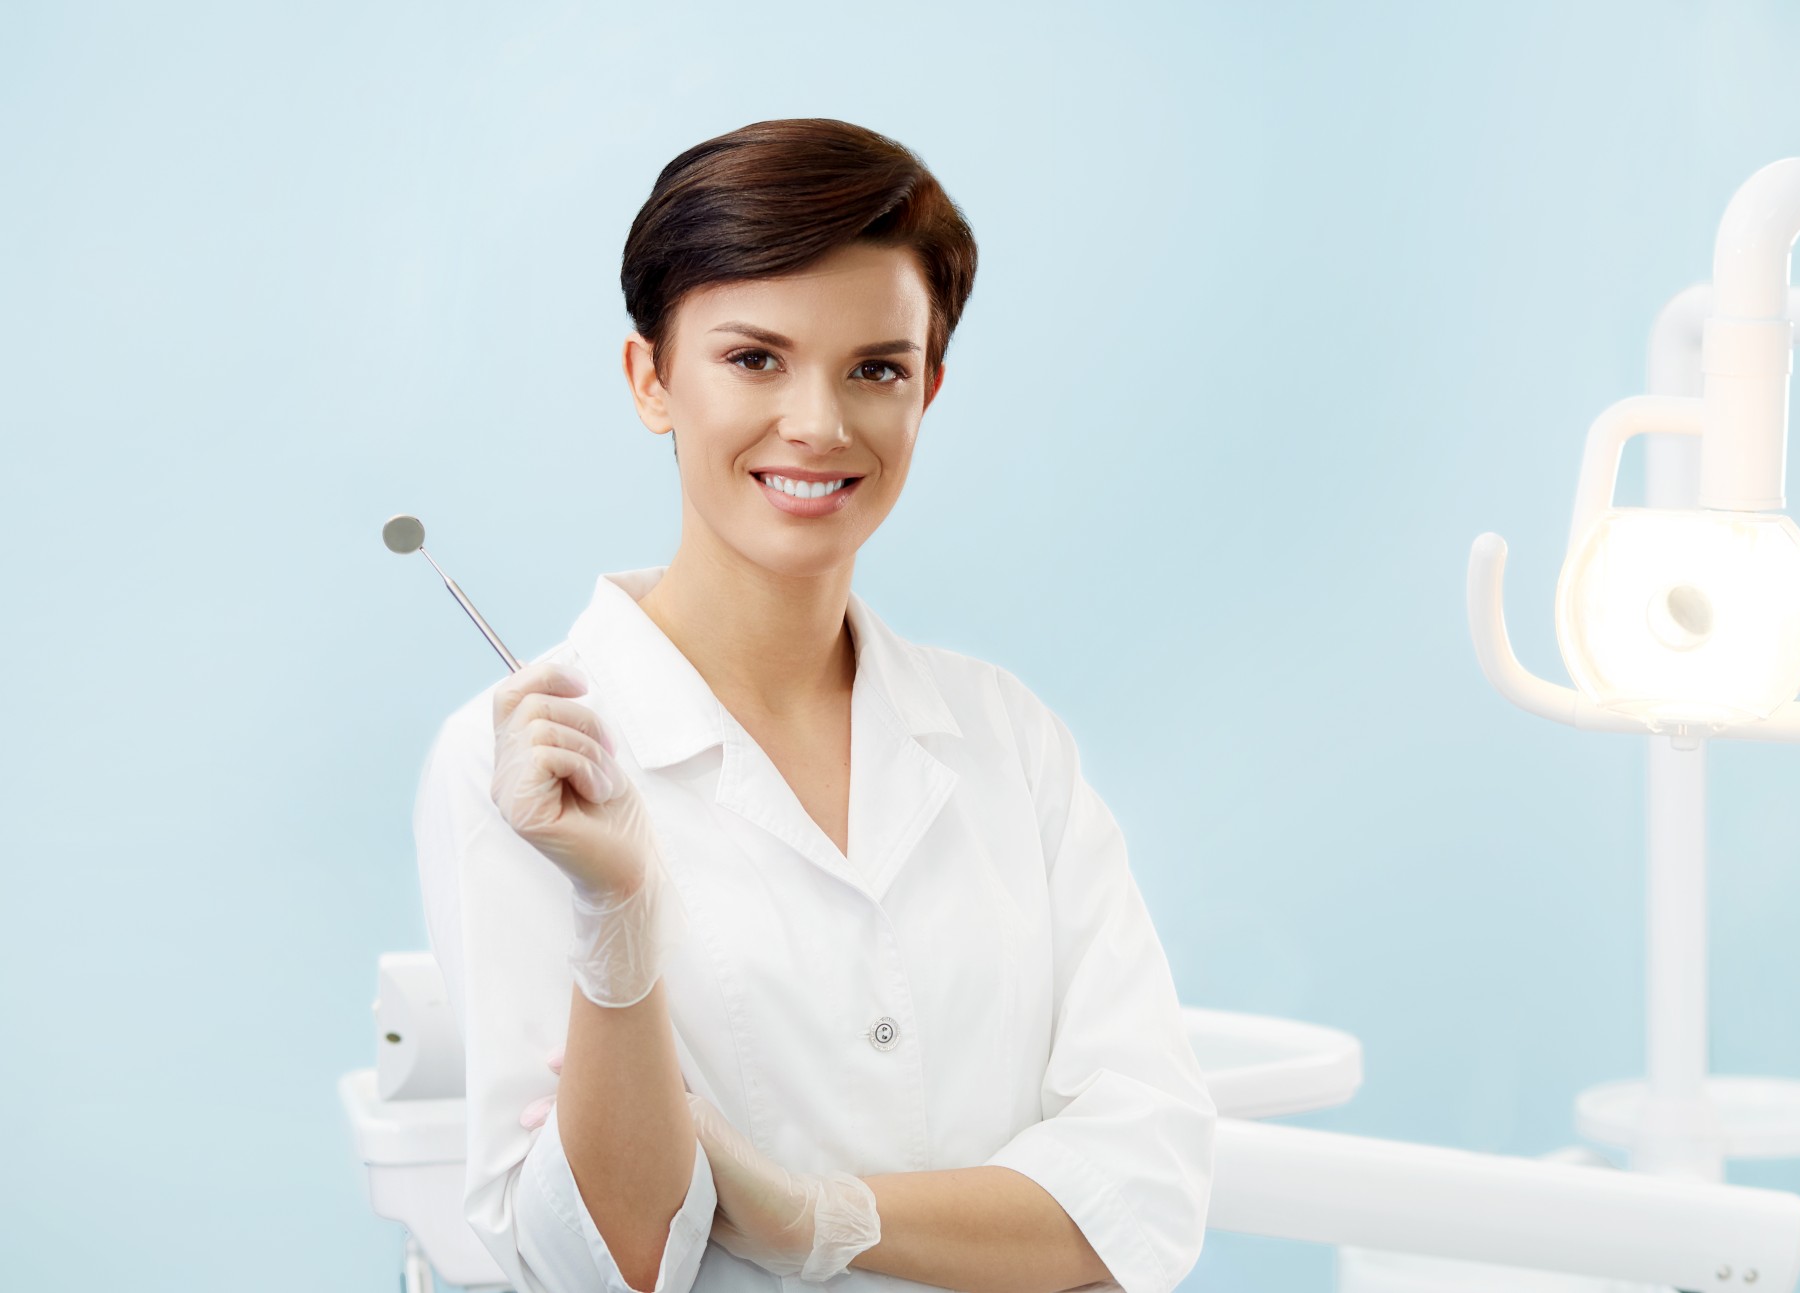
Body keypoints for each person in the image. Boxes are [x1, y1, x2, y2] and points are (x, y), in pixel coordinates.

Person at [412, 117, 1216, 1293]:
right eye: (754, 359)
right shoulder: (523, 769)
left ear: (929, 388)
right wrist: (617, 919)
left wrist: (815, 1217)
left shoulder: (1008, 737)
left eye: (876, 369)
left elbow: (1147, 1185)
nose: (820, 426)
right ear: (651, 380)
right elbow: (594, 1266)